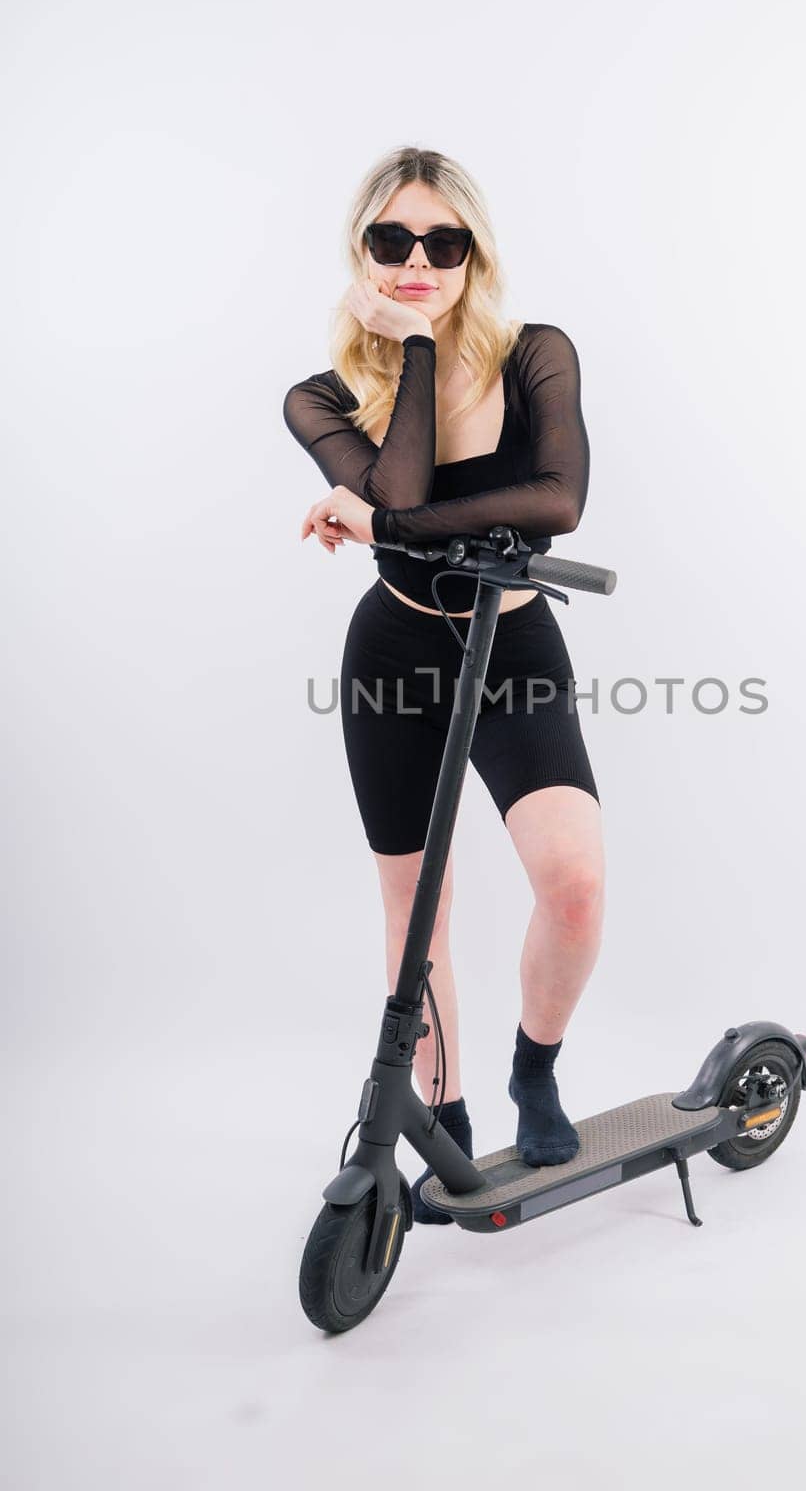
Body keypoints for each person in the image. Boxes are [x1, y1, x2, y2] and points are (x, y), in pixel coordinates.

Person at [283, 145, 605, 1223]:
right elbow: (405, 485)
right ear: (361, 255)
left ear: (475, 251)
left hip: (513, 651)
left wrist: (377, 519)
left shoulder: (533, 358)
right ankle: (447, 1108)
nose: (417, 261)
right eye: (391, 241)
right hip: (396, 653)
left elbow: (557, 503)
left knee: (572, 883)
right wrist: (412, 354)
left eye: (442, 242)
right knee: (415, 907)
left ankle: (534, 1069)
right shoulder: (322, 395)